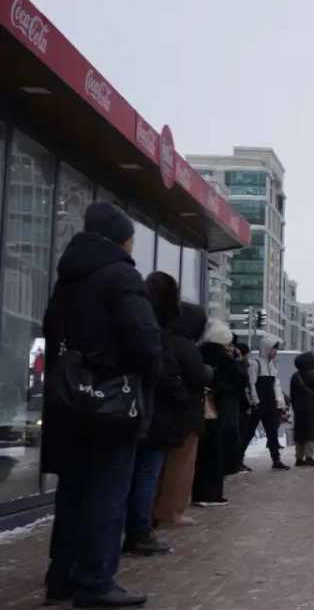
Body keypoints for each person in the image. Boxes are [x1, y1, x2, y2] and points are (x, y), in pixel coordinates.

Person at [41, 202, 161, 607]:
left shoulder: (68, 279)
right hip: (110, 403)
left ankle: (62, 576)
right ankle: (95, 581)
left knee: (73, 490)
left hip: (69, 401)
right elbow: (145, 340)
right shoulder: (121, 275)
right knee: (107, 491)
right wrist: (142, 375)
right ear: (120, 239)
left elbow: (52, 332)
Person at [121, 272, 183, 558]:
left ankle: (130, 528)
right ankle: (139, 531)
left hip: (129, 410)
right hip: (153, 413)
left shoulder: (131, 319)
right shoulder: (158, 331)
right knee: (146, 474)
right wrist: (179, 389)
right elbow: (163, 373)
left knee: (129, 473)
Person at [152, 302, 211, 526]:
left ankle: (155, 509)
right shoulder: (187, 347)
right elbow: (199, 376)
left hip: (164, 414)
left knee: (161, 467)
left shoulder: (164, 341)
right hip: (186, 414)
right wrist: (207, 372)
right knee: (181, 466)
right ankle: (171, 511)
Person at [195, 319, 238, 505]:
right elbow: (238, 380)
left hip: (198, 407)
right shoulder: (223, 358)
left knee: (200, 453)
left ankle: (198, 492)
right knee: (214, 453)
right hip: (215, 409)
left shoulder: (198, 351)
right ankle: (212, 494)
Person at [243, 342, 289, 470]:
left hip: (270, 403)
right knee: (249, 432)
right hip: (258, 404)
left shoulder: (271, 365)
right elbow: (251, 384)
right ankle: (238, 459)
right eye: (273, 349)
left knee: (272, 432)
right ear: (266, 348)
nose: (275, 352)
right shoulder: (255, 363)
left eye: (276, 349)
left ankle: (276, 460)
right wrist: (255, 401)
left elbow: (276, 385)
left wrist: (280, 402)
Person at [289, 352, 314, 466]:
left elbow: (292, 394)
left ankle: (299, 458)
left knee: (300, 433)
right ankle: (309, 457)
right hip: (312, 408)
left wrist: (295, 407)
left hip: (299, 409)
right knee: (311, 433)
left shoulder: (295, 376)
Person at [224, 342, 253, 475]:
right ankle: (234, 463)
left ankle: (237, 461)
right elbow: (243, 384)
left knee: (242, 434)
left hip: (241, 405)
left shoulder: (243, 366)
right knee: (238, 435)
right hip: (238, 406)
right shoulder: (236, 366)